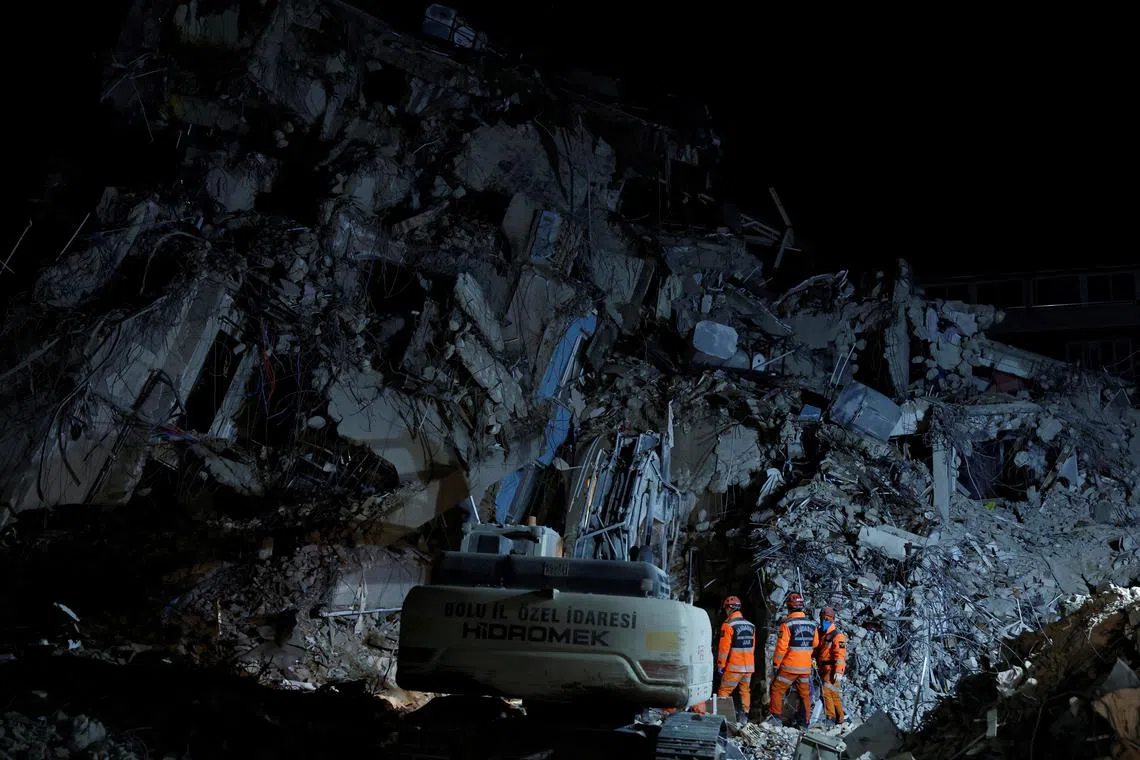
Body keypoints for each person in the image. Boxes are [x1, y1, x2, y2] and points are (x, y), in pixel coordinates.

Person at [766, 592, 818, 727]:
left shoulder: (787, 624)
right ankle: (805, 722)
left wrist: (776, 664)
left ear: (789, 607)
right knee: (805, 694)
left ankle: (776, 718)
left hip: (789, 667)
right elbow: (816, 643)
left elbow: (781, 648)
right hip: (805, 667)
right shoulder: (812, 624)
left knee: (777, 689)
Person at [715, 595, 756, 723]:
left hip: (734, 667)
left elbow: (724, 649)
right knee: (745, 691)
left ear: (729, 609)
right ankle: (744, 717)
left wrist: (720, 665)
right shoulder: (751, 625)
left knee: (724, 691)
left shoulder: (728, 625)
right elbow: (752, 646)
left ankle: (723, 719)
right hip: (748, 667)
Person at [815, 607, 847, 725]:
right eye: (822, 618)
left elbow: (840, 655)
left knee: (827, 692)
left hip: (832, 669)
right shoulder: (823, 634)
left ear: (832, 620)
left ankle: (830, 717)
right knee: (834, 693)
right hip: (822, 667)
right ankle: (840, 718)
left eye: (827, 619)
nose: (824, 621)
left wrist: (839, 671)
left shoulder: (838, 636)